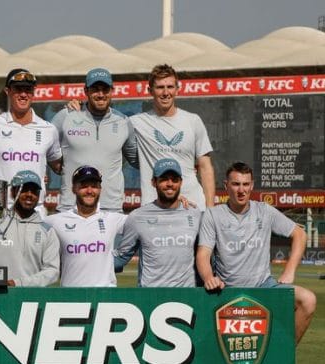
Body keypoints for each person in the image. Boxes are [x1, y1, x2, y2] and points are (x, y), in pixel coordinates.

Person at [196, 162, 316, 354]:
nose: (241, 190)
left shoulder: (264, 211)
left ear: (252, 185)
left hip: (264, 286)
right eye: (236, 184)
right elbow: (203, 254)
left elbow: (300, 234)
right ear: (226, 186)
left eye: (246, 184)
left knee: (308, 300)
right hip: (226, 290)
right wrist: (209, 277)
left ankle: (282, 357)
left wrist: (289, 270)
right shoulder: (213, 215)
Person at [130, 64, 215, 210]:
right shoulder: (135, 123)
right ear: (150, 90)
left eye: (170, 87)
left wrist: (210, 209)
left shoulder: (193, 121)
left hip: (193, 206)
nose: (165, 92)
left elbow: (205, 167)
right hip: (154, 208)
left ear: (177, 89)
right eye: (160, 87)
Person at [53, 68, 138, 212]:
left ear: (112, 91)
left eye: (105, 89)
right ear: (86, 91)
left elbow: (137, 160)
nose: (101, 94)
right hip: (71, 207)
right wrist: (58, 167)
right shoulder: (66, 116)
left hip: (110, 209)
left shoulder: (123, 121)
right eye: (95, 89)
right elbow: (45, 149)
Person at [0, 68, 62, 208]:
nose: (23, 94)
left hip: (36, 207)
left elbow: (59, 166)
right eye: (18, 89)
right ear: (7, 91)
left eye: (28, 90)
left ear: (33, 92)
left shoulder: (48, 129)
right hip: (2, 207)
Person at [0, 170, 60, 287]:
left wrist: (18, 283)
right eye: (23, 189)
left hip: (29, 296)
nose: (29, 194)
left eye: (34, 191)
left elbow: (52, 271)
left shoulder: (47, 231)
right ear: (12, 192)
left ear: (39, 195)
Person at [114, 158, 202, 287]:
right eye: (164, 179)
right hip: (151, 296)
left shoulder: (194, 213)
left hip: (186, 296)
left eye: (174, 179)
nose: (170, 184)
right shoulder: (138, 217)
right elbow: (121, 257)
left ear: (181, 182)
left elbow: (205, 256)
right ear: (154, 182)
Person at [44, 165, 126, 287]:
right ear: (74, 189)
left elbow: (143, 224)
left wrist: (122, 258)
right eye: (83, 186)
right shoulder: (55, 221)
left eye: (94, 186)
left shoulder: (113, 219)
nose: (89, 191)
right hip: (70, 295)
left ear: (100, 189)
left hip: (105, 295)